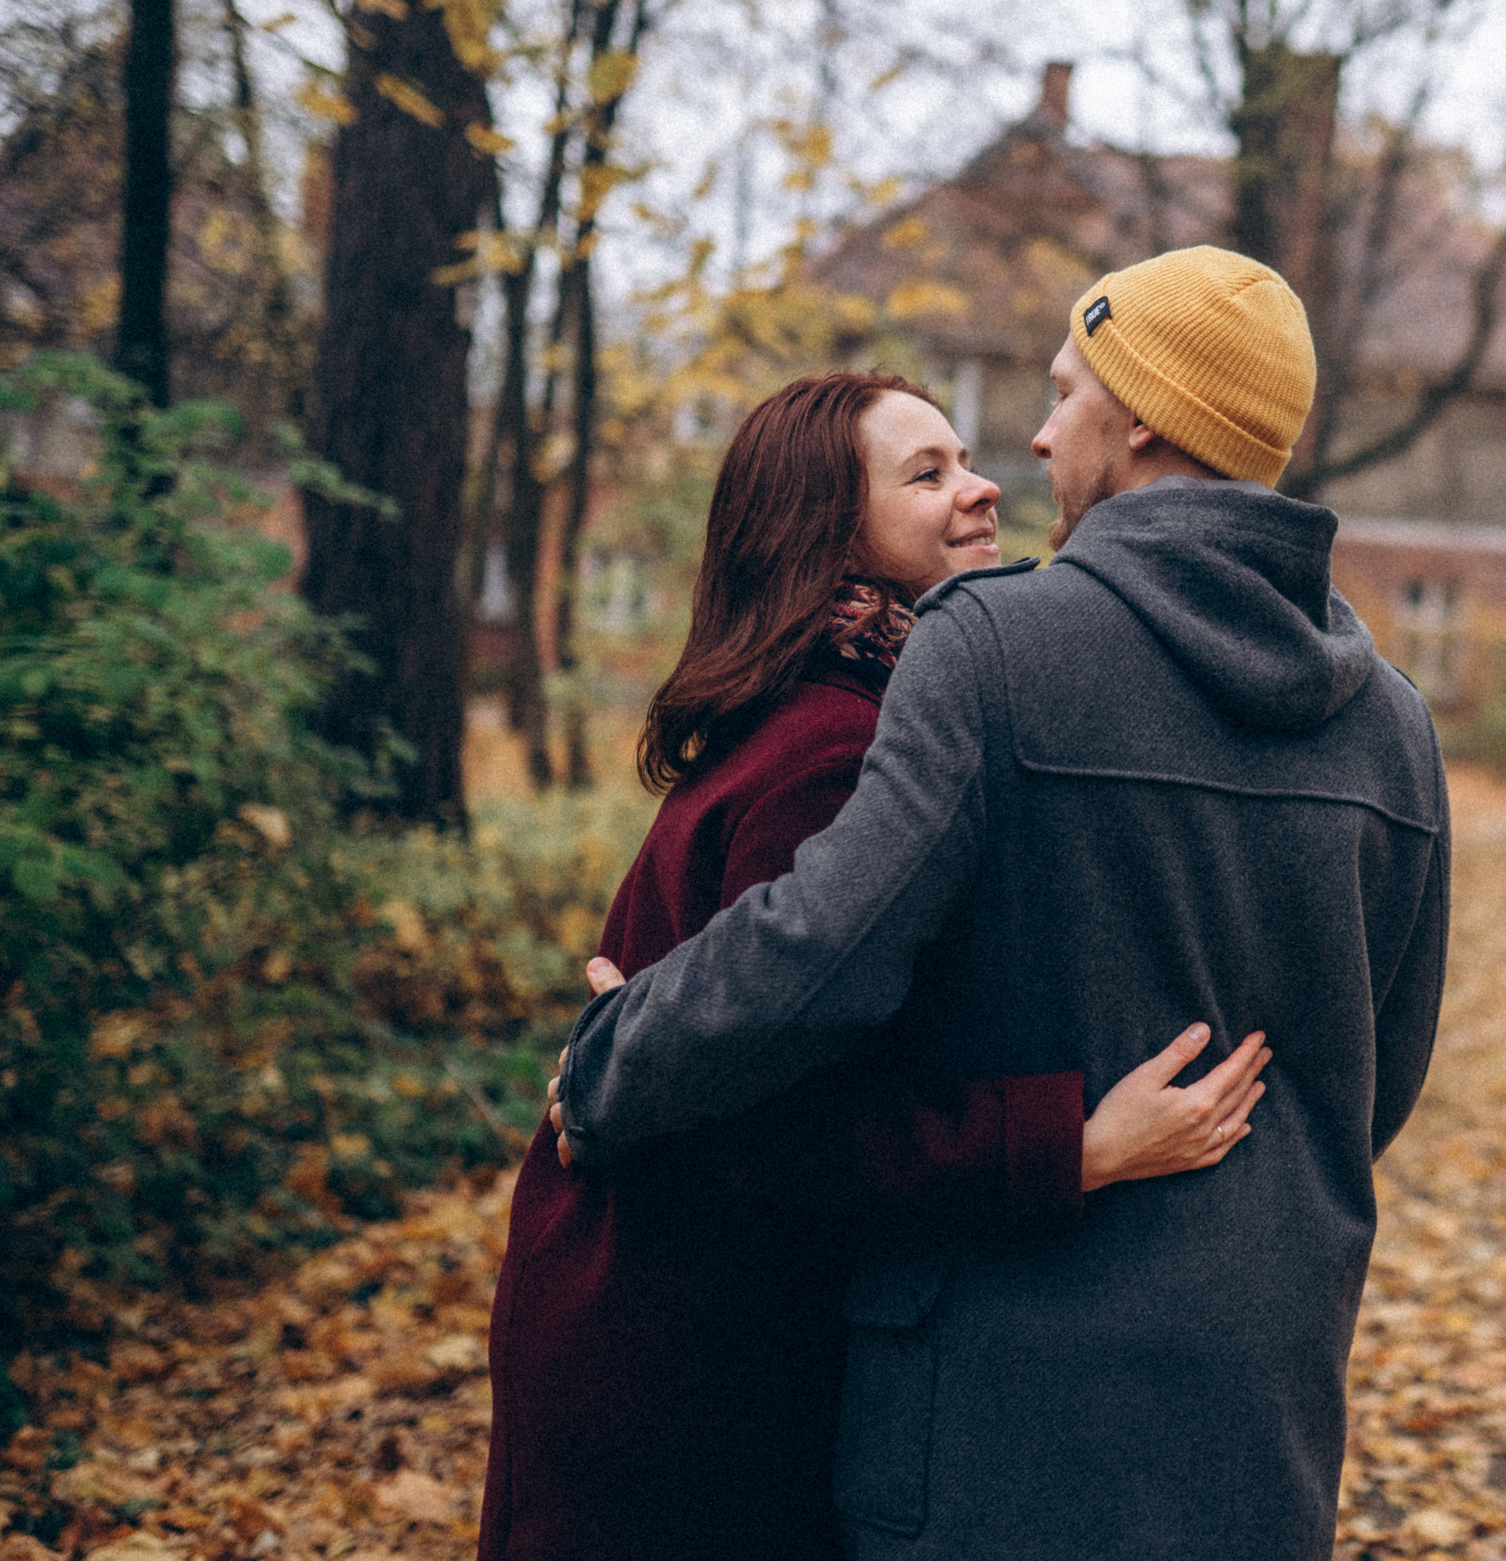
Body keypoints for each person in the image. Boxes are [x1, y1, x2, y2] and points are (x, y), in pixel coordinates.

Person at [554, 247, 1450, 1561]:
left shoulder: (994, 643)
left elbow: (819, 950)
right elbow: (1381, 1077)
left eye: (1064, 387)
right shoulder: (1395, 729)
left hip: (985, 1413)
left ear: (1139, 414)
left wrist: (614, 1055)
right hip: (1259, 1407)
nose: (1038, 434)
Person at [477, 370, 1271, 1561]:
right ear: (824, 533)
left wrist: (628, 1049)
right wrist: (1075, 1145)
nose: (984, 485)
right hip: (689, 1363)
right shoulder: (839, 752)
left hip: (643, 1309)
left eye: (965, 458)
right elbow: (776, 1130)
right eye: (928, 474)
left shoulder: (824, 707)